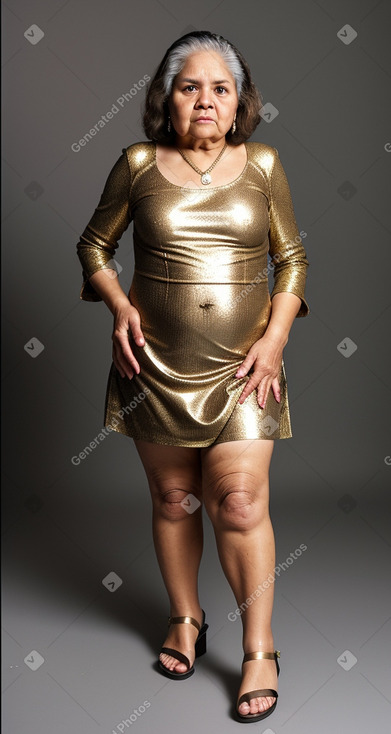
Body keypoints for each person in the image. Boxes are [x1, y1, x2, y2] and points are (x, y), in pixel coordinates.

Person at [76, 30, 309, 724]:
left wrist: (273, 340)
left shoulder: (263, 165)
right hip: (155, 365)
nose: (204, 100)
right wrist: (118, 307)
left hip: (244, 368)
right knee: (174, 497)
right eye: (188, 87)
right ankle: (185, 617)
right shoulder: (138, 162)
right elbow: (94, 246)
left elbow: (291, 260)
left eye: (219, 88)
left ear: (239, 103)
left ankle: (259, 648)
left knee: (237, 502)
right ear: (165, 99)